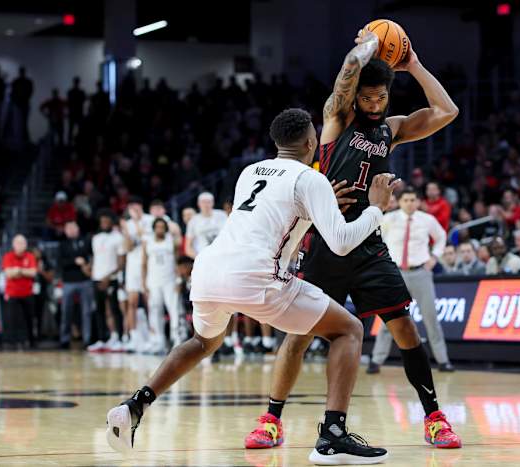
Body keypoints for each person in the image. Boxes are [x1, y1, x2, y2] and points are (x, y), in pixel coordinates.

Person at [106, 109, 395, 464]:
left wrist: (324, 206)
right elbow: (340, 242)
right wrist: (377, 210)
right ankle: (333, 436)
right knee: (349, 330)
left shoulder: (250, 171)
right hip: (257, 275)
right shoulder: (311, 178)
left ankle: (136, 404)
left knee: (202, 341)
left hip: (210, 270)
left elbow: (278, 215)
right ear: (311, 142)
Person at [245, 31, 460, 451]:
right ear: (355, 97)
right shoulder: (337, 120)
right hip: (326, 241)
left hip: (367, 244)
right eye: (367, 98)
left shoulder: (391, 130)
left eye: (380, 98)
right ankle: (271, 419)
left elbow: (446, 110)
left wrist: (412, 63)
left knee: (405, 330)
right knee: (299, 336)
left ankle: (434, 417)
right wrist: (363, 50)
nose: (374, 105)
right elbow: (345, 78)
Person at [368, 188, 453, 374]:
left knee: (431, 318)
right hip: (395, 273)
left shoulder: (426, 219)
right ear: (399, 201)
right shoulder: (388, 219)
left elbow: (441, 237)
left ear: (418, 201)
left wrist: (435, 257)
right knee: (387, 319)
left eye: (413, 199)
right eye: (406, 200)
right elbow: (374, 238)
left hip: (420, 272)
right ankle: (376, 360)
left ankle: (443, 360)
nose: (409, 203)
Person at [141, 218, 183, 354]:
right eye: (157, 227)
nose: (160, 229)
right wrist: (143, 282)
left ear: (165, 228)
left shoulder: (172, 241)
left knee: (174, 310)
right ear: (154, 229)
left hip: (170, 281)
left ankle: (177, 339)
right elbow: (144, 263)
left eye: (162, 227)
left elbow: (178, 262)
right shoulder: (147, 242)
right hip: (153, 282)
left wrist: (179, 280)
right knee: (154, 311)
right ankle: (158, 341)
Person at [87, 212, 125, 352]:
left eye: (107, 221)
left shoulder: (118, 238)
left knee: (115, 309)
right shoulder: (96, 238)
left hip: (111, 279)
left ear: (111, 222)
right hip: (97, 279)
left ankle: (120, 339)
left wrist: (108, 277)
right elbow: (96, 258)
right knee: (99, 310)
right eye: (102, 221)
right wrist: (91, 271)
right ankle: (101, 339)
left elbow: (121, 262)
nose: (104, 224)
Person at [120, 197, 154, 352]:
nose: (134, 210)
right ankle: (134, 338)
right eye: (131, 208)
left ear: (141, 206)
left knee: (149, 302)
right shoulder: (126, 225)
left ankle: (154, 337)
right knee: (132, 302)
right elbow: (127, 248)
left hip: (149, 266)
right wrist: (127, 232)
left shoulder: (150, 220)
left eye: (137, 207)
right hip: (132, 267)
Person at [59, 221, 94, 349]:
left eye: (73, 227)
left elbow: (91, 257)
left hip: (85, 280)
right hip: (68, 282)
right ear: (65, 231)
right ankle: (64, 339)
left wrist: (88, 265)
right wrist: (75, 261)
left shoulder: (86, 241)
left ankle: (87, 340)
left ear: (78, 229)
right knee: (66, 311)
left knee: (87, 311)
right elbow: (61, 262)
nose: (71, 230)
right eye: (68, 228)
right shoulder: (63, 245)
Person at [1, 235, 37, 349]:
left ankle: (30, 341)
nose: (20, 245)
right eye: (18, 243)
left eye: (22, 243)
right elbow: (8, 274)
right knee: (12, 319)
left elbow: (33, 273)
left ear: (26, 245)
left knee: (29, 318)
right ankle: (12, 342)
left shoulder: (30, 256)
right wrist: (24, 272)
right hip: (12, 293)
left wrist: (19, 270)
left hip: (27, 293)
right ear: (13, 245)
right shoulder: (8, 256)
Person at [184, 192, 227, 258]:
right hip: (203, 256)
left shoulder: (222, 215)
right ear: (198, 203)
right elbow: (188, 247)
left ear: (213, 203)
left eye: (209, 202)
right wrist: (199, 258)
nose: (206, 205)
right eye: (203, 202)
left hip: (223, 255)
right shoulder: (193, 221)